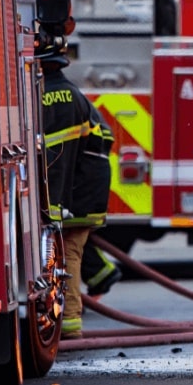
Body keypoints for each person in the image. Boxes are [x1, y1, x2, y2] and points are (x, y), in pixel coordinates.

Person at [38, 17, 93, 339]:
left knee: (65, 258)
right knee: (67, 258)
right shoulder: (75, 97)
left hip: (57, 201)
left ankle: (69, 323)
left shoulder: (38, 96)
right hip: (76, 197)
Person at [76, 109, 120, 300]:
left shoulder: (72, 104)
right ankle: (100, 274)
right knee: (74, 238)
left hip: (83, 184)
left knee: (71, 239)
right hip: (89, 181)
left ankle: (101, 274)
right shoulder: (80, 103)